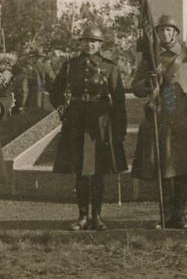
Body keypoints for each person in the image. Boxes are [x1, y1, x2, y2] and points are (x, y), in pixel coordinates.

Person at [131, 14, 187, 230]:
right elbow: (135, 86)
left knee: (181, 167)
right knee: (163, 167)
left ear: (175, 32)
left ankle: (180, 214)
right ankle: (165, 215)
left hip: (181, 110)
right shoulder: (150, 57)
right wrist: (148, 80)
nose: (165, 34)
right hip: (159, 112)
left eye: (168, 30)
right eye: (161, 31)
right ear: (156, 33)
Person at [49, 25, 128, 231]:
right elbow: (55, 91)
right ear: (80, 43)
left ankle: (97, 216)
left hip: (100, 123)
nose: (89, 44)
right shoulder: (69, 66)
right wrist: (63, 110)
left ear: (100, 44)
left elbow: (118, 100)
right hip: (76, 121)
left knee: (98, 171)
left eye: (94, 41)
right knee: (81, 171)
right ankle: (82, 216)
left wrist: (119, 129)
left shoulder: (110, 67)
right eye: (85, 41)